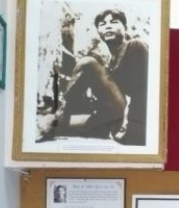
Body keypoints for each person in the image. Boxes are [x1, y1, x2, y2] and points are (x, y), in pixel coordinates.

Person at [41, 8, 149, 145]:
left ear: (125, 28)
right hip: (111, 115)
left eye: (114, 22)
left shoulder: (135, 46)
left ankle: (57, 115)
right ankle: (55, 120)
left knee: (87, 62)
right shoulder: (111, 60)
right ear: (99, 32)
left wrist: (130, 124)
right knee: (63, 125)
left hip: (130, 115)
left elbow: (144, 90)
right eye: (102, 24)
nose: (108, 26)